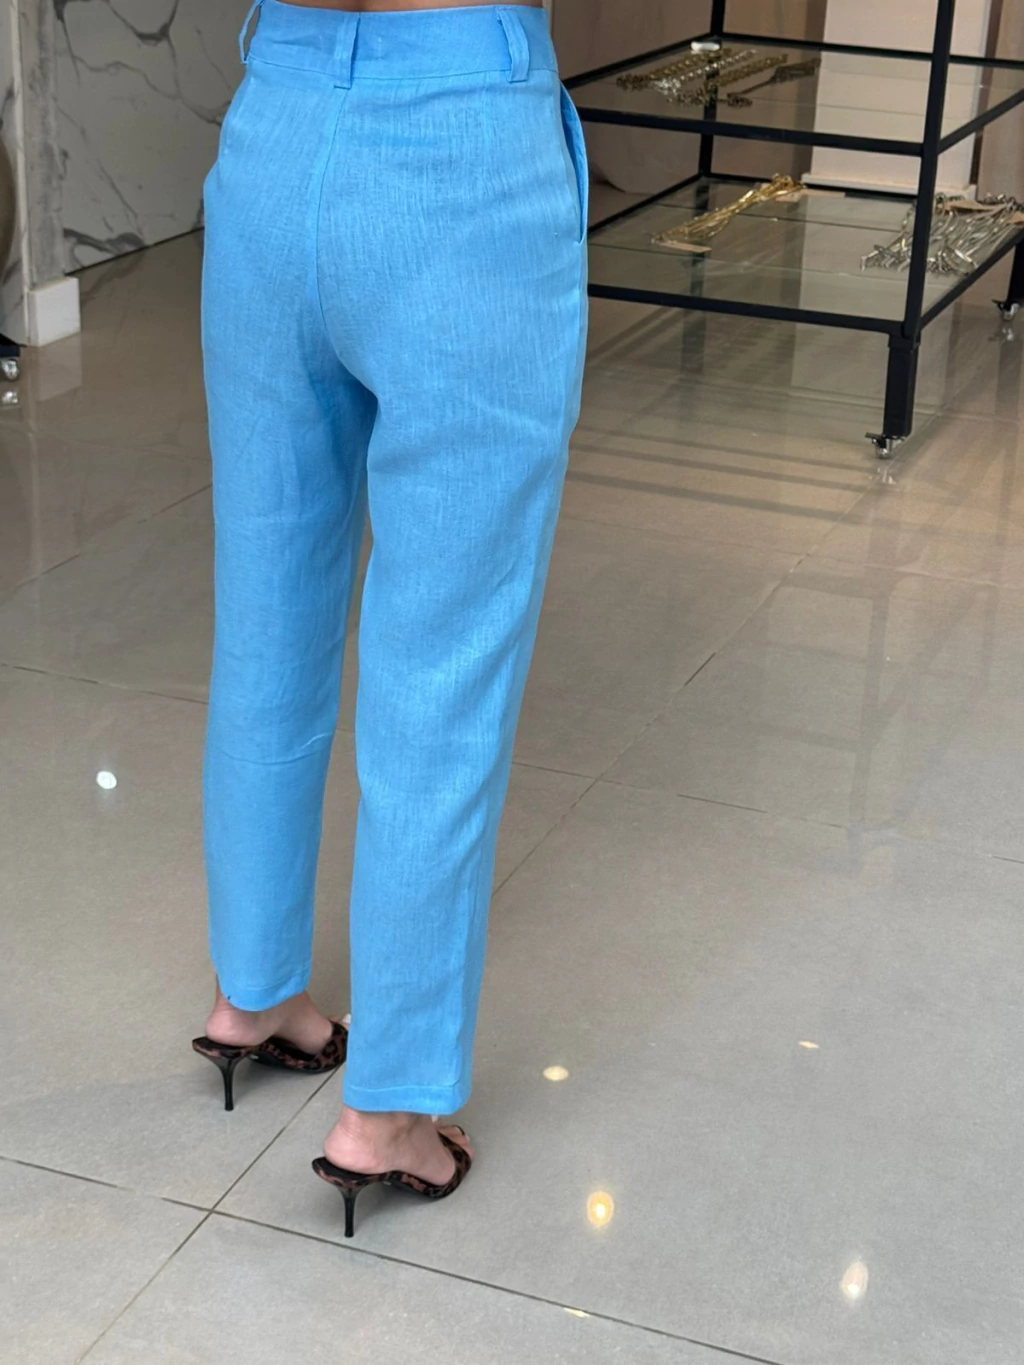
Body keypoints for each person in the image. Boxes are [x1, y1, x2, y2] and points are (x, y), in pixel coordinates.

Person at [191, 0, 587, 1238]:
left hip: (277, 123)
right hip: (464, 138)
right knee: (443, 662)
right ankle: (391, 1111)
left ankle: (254, 995)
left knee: (265, 616)